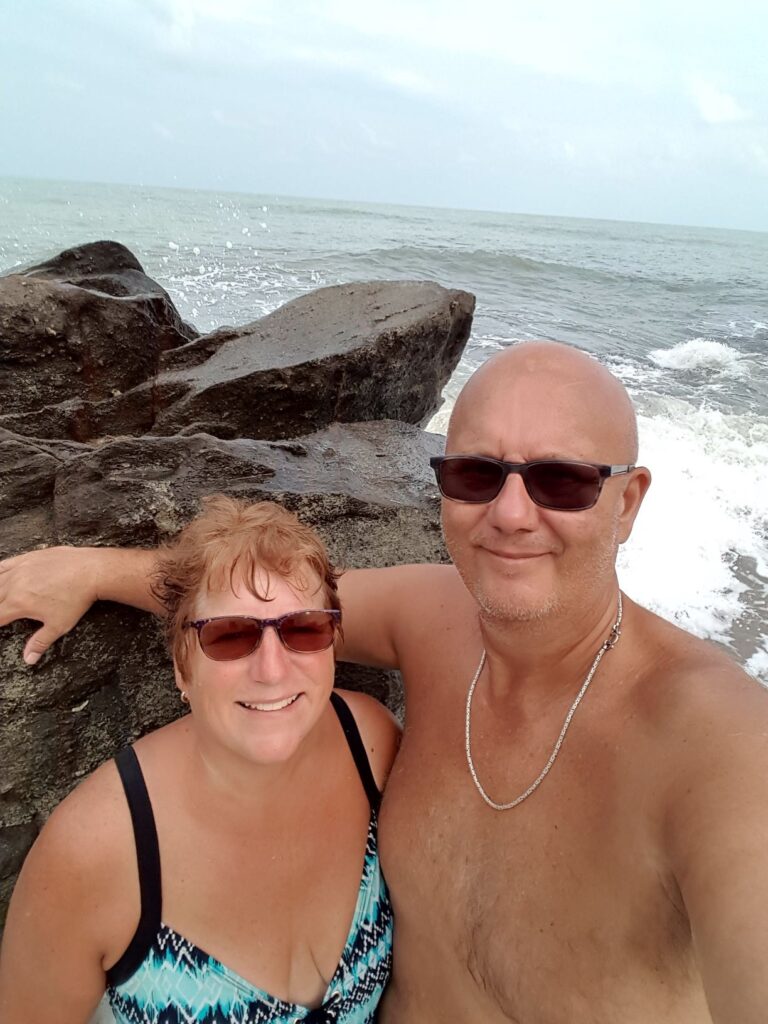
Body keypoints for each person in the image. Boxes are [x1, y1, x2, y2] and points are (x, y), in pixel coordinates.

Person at [2, 341, 767, 1023]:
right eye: (475, 473)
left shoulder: (718, 744)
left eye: (561, 481)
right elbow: (267, 605)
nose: (509, 513)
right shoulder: (435, 616)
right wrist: (92, 568)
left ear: (626, 501)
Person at [0, 496, 400, 1024]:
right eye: (229, 636)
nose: (273, 670)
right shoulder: (93, 851)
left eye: (304, 628)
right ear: (181, 669)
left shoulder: (369, 745)